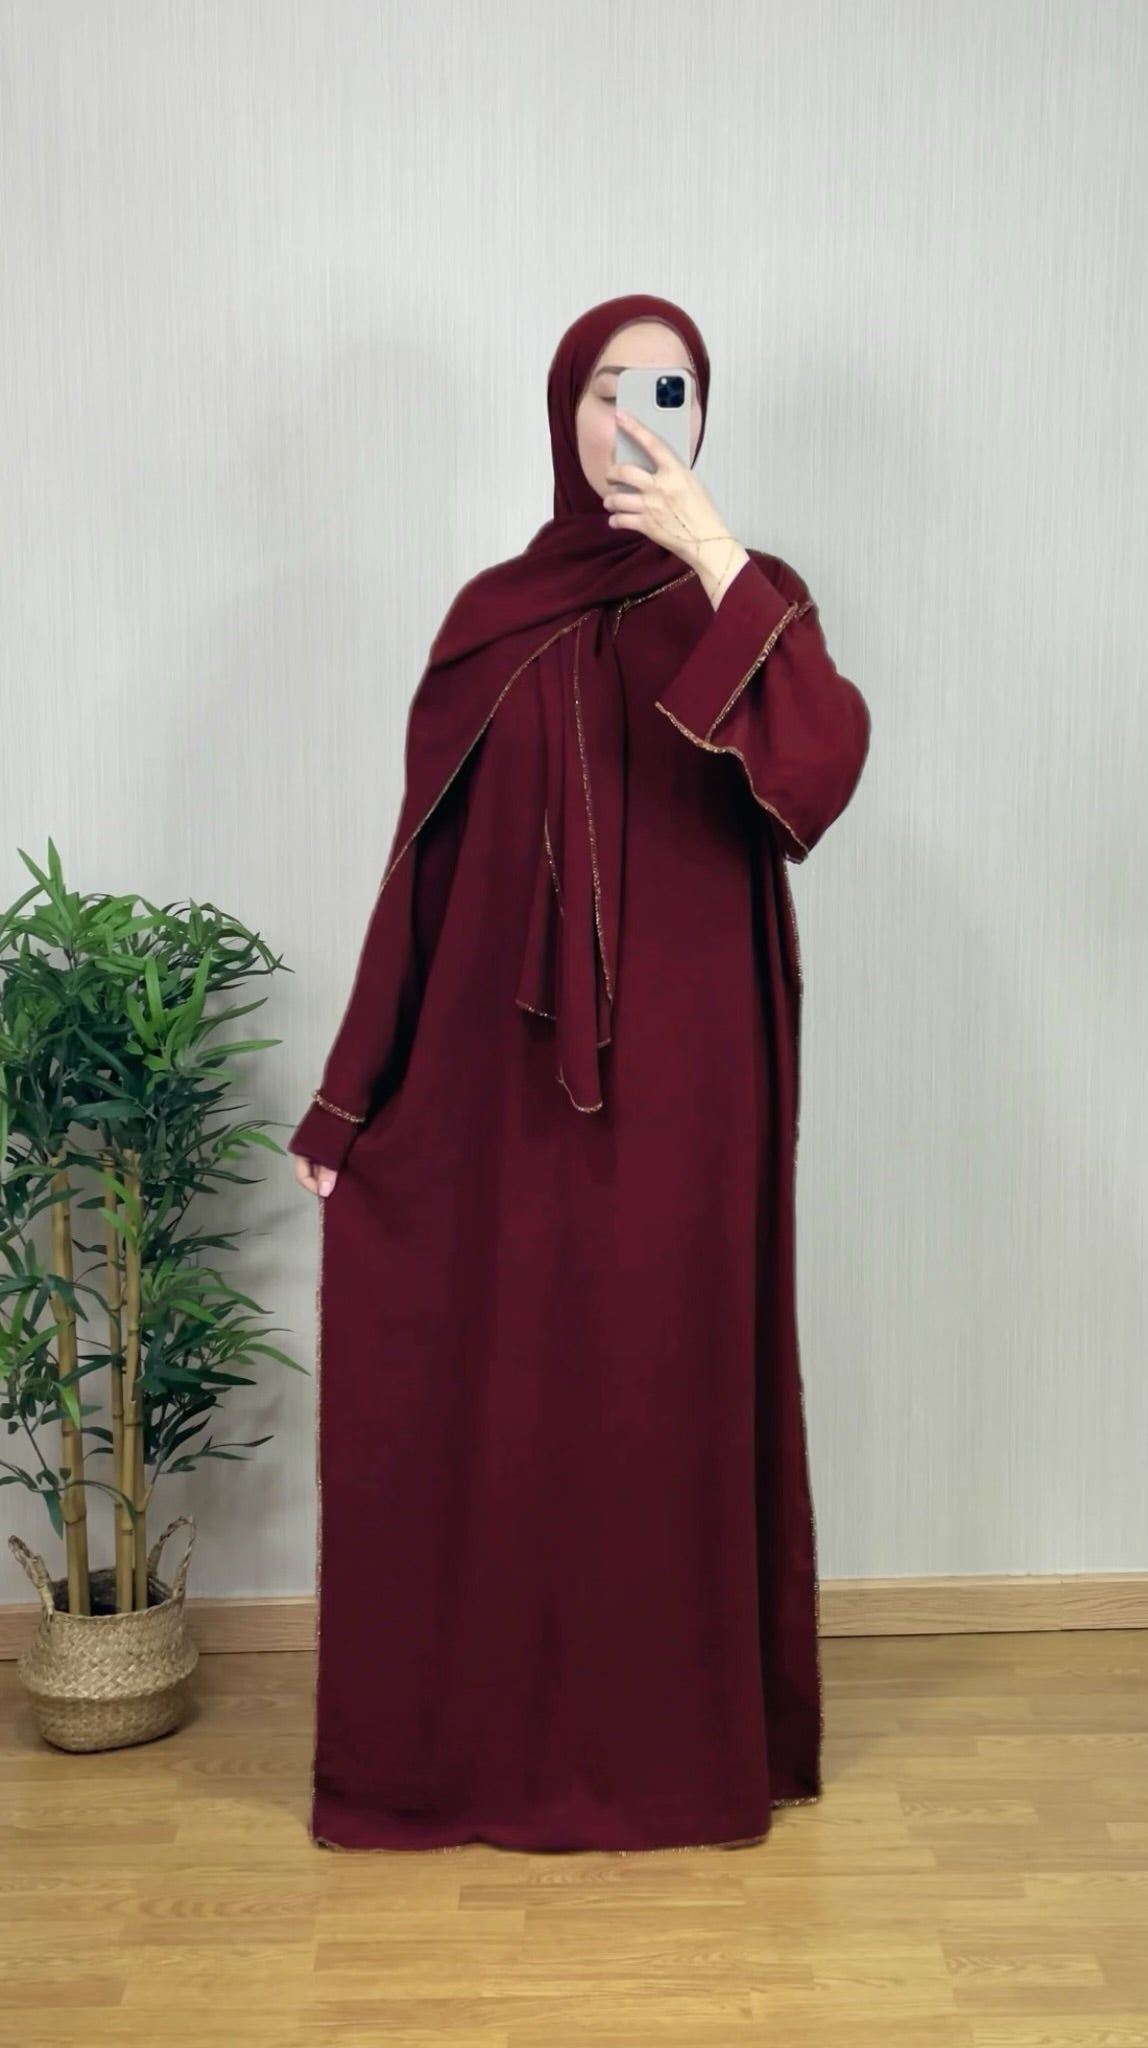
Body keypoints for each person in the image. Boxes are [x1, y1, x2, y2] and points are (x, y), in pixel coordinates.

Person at [289, 292, 870, 1854]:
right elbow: (421, 871)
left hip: (699, 1088)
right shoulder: (494, 615)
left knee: (665, 1395)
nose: (634, 418)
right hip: (500, 1087)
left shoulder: (755, 603)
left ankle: (677, 1755)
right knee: (511, 1397)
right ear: (562, 412)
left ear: (704, 416)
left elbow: (819, 771)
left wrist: (716, 556)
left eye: (669, 390)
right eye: (608, 388)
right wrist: (352, 1094)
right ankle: (483, 1749)